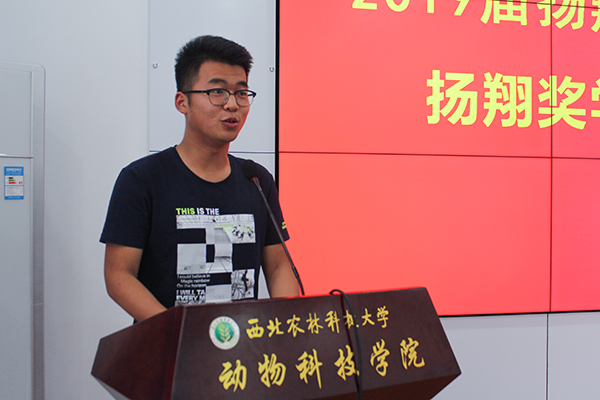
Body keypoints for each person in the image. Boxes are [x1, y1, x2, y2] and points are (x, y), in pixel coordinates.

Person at [100, 35, 299, 322]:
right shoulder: (142, 179)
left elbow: (279, 266)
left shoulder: (257, 180)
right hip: (169, 343)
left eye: (241, 93)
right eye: (217, 92)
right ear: (183, 102)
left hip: (245, 343)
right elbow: (119, 275)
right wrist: (176, 333)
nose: (232, 105)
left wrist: (286, 325)